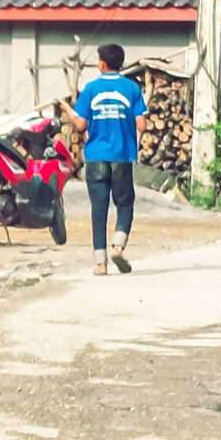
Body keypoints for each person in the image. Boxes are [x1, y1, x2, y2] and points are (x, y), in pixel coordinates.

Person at [69, 44, 146, 275]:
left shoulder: (90, 89)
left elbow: (81, 124)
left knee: (98, 208)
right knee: (124, 204)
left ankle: (100, 264)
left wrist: (69, 113)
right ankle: (118, 246)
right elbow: (141, 124)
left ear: (102, 64)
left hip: (95, 157)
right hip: (122, 155)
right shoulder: (132, 89)